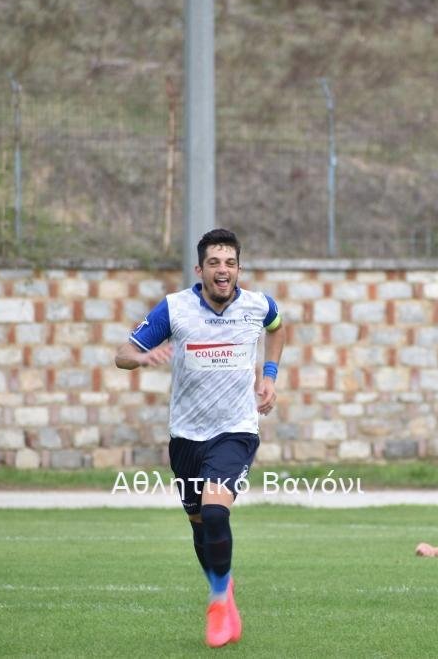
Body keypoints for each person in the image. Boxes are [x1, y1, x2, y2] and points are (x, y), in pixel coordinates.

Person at [115, 228, 285, 648]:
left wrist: (269, 376)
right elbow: (122, 355)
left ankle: (217, 599)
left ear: (239, 269)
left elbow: (278, 328)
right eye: (214, 263)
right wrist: (142, 357)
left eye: (229, 263)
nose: (222, 270)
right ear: (200, 269)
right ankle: (223, 587)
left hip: (237, 430)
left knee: (214, 514)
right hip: (187, 437)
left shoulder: (258, 305)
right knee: (198, 523)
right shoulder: (175, 309)